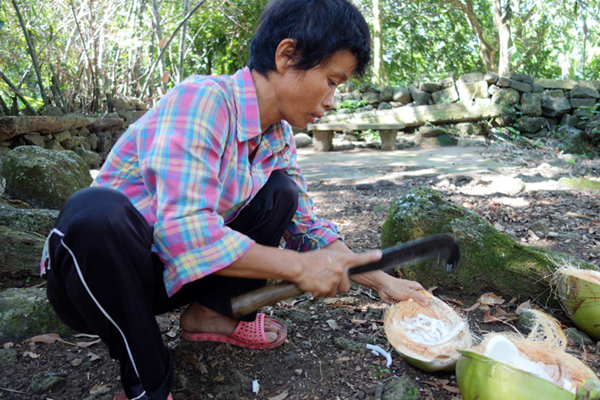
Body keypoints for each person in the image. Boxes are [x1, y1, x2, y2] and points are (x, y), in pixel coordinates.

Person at [40, 0, 428, 398]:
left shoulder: (276, 136)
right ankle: (148, 384)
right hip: (99, 282)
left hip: (171, 278)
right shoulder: (203, 101)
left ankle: (212, 315)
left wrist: (382, 280)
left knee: (281, 193)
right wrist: (299, 267)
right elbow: (184, 234)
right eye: (331, 81)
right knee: (95, 213)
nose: (332, 100)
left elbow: (307, 230)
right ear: (287, 55)